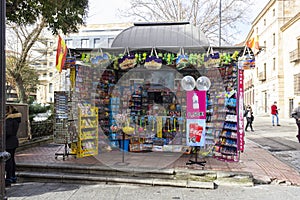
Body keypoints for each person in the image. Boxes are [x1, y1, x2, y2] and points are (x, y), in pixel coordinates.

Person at [5, 105, 22, 187]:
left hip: (8, 142)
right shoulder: (15, 119)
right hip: (13, 141)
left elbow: (8, 132)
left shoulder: (9, 120)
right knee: (11, 159)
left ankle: (9, 177)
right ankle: (12, 176)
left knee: (8, 160)